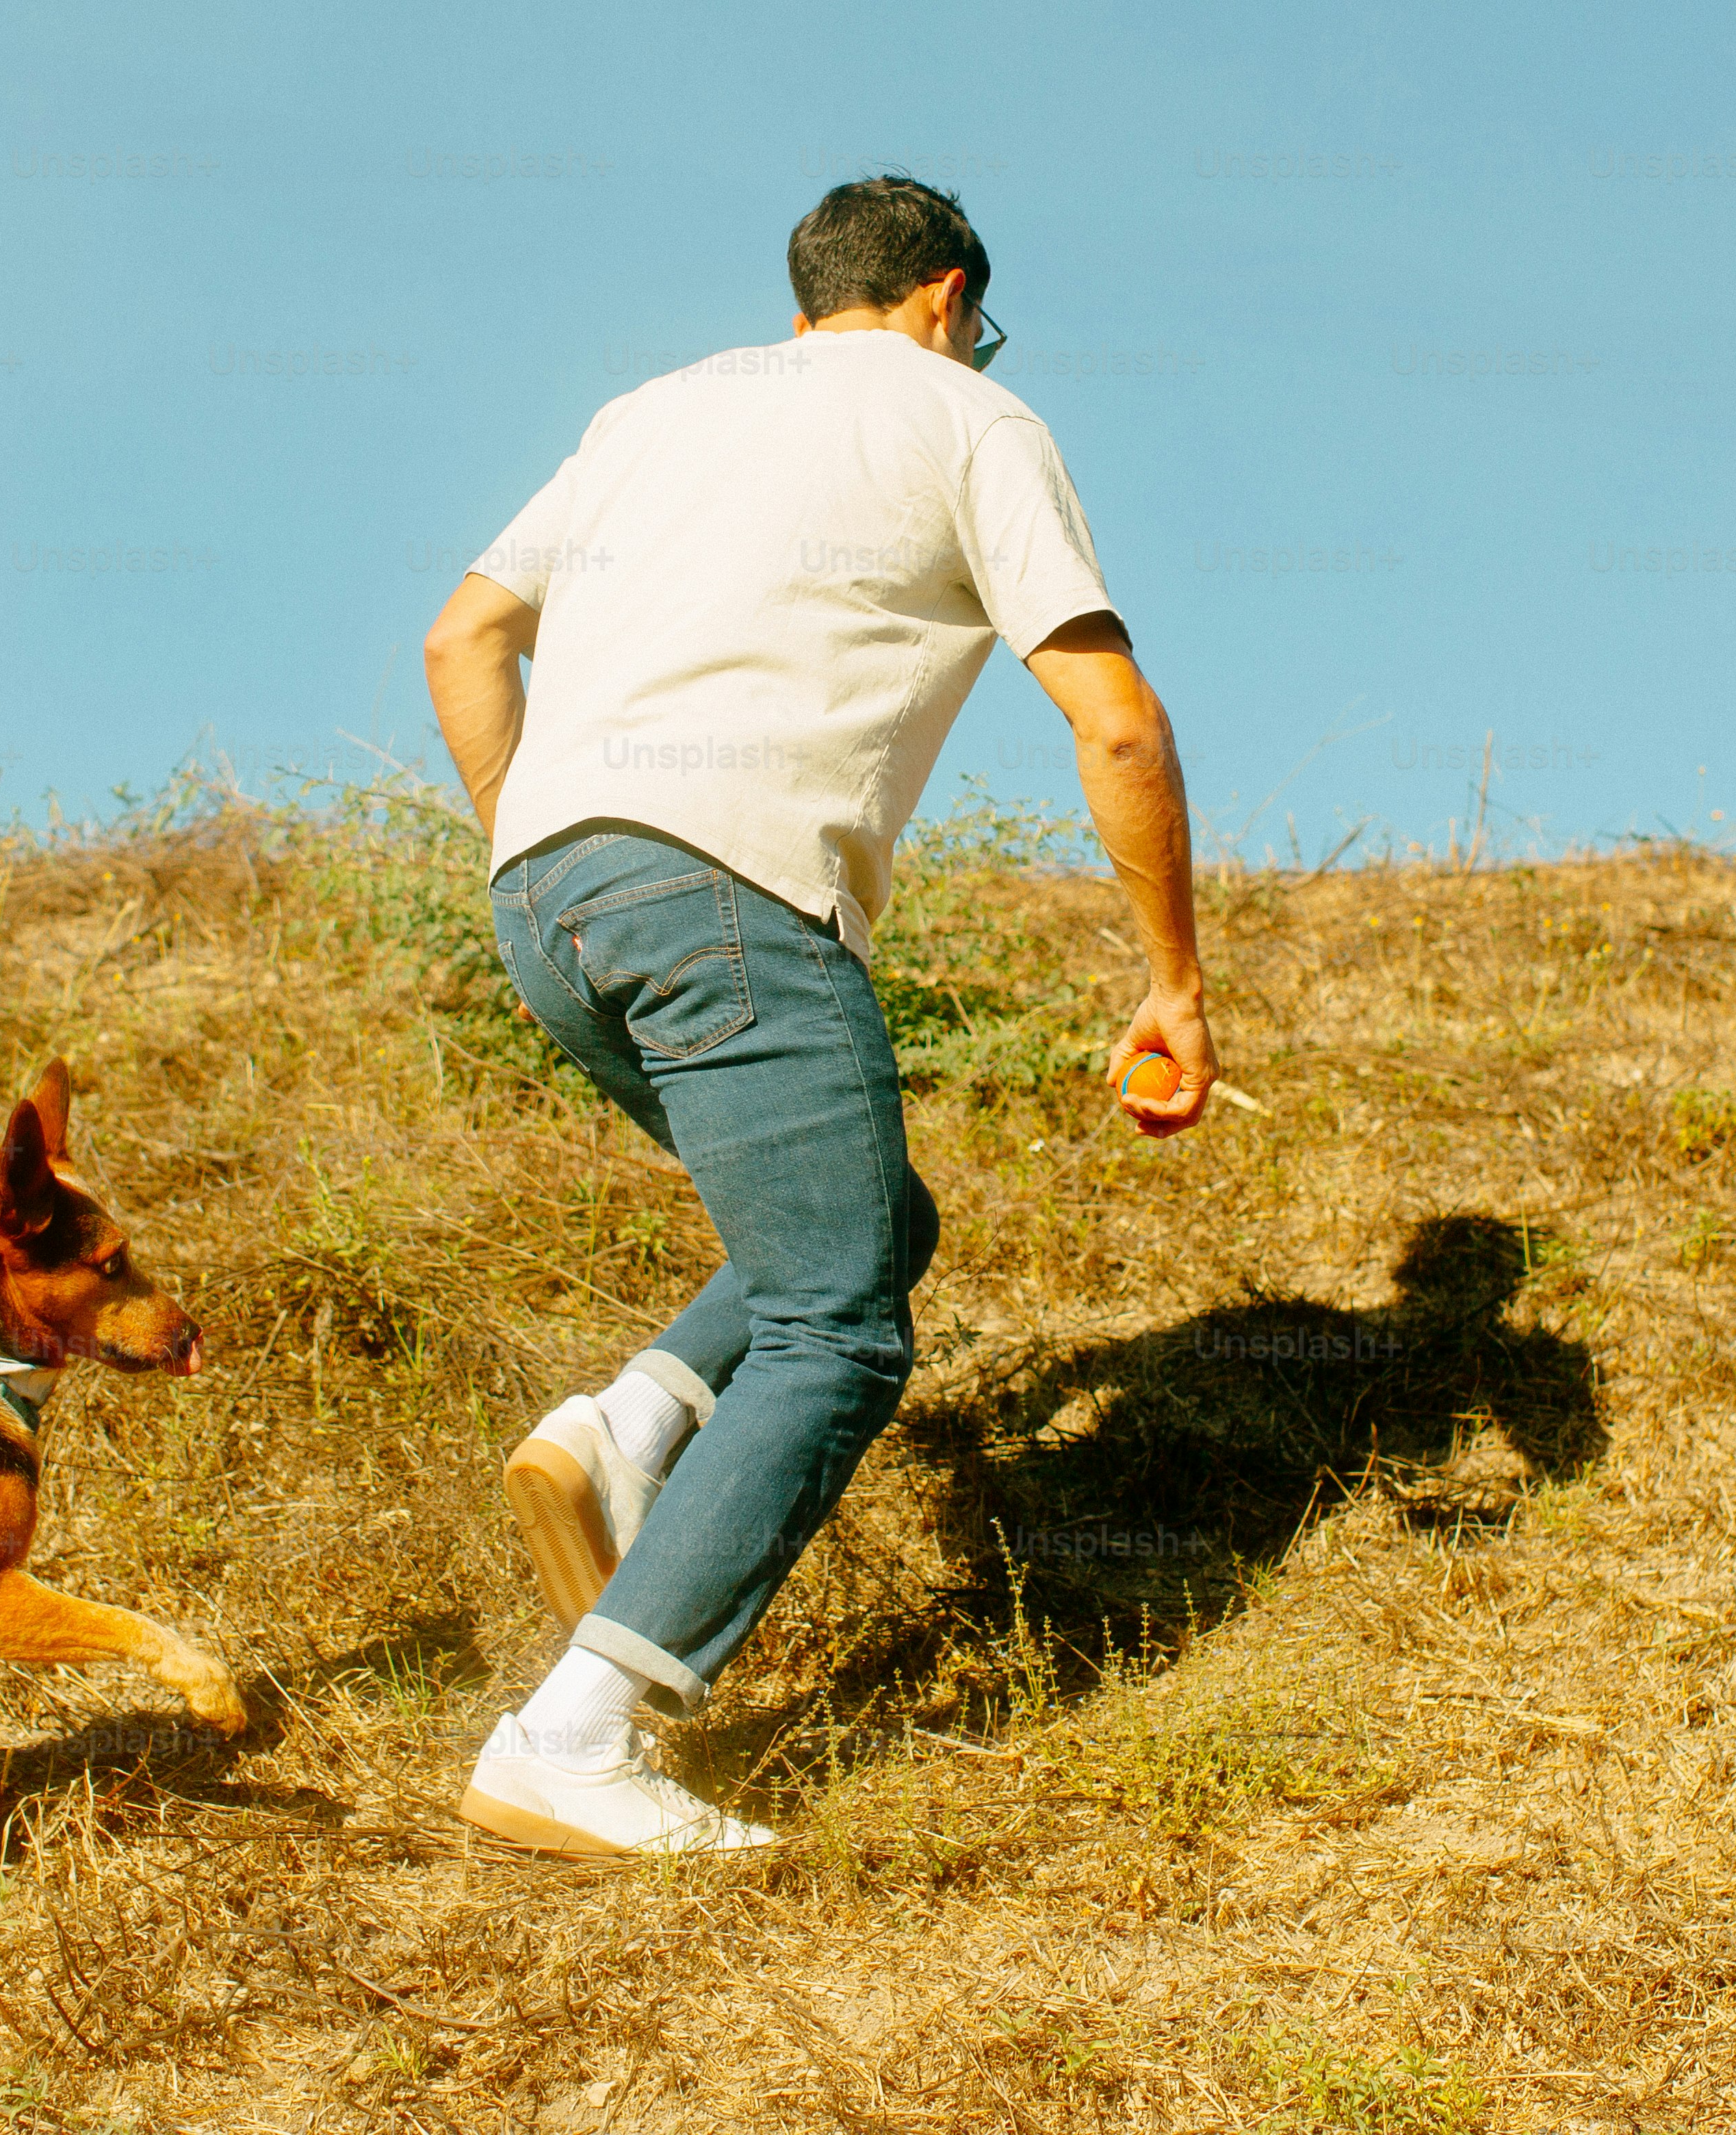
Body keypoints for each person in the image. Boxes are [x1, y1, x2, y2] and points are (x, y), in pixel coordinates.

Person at [419, 175, 1213, 1854]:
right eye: (975, 324)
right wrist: (1175, 986)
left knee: (872, 1222)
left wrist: (548, 841)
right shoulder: (970, 415)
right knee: (837, 1332)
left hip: (545, 901)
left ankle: (627, 1428)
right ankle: (576, 1735)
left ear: (804, 310)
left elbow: (465, 640)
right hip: (729, 890)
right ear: (947, 298)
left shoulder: (651, 410)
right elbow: (1118, 723)